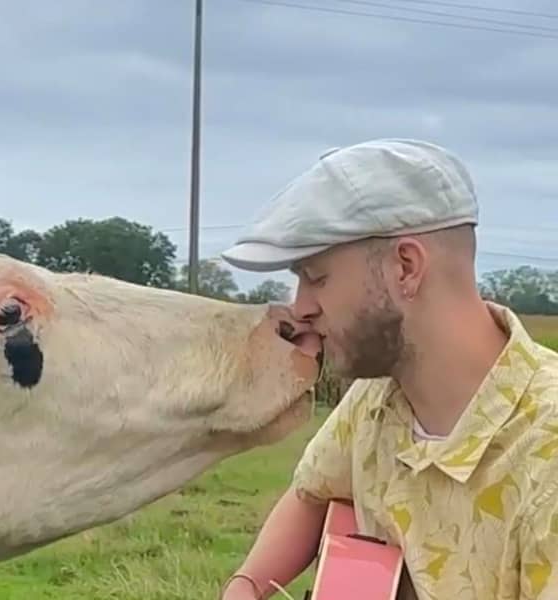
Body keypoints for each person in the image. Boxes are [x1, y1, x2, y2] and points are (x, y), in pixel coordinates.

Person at [217, 139, 558, 599]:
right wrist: (245, 587)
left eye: (317, 278)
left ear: (405, 267)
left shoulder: (546, 454)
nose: (301, 307)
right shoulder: (376, 395)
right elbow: (312, 495)